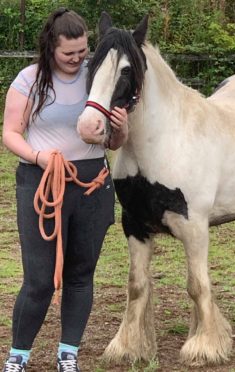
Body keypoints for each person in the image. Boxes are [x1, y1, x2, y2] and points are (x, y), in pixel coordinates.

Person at [2, 8, 128, 372]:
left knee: (80, 274)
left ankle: (68, 352)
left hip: (92, 183)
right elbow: (10, 132)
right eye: (68, 53)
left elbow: (115, 143)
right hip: (43, 180)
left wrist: (120, 129)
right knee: (39, 279)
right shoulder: (29, 80)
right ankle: (18, 355)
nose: (76, 58)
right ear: (50, 48)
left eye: (82, 51)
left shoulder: (96, 77)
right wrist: (38, 156)